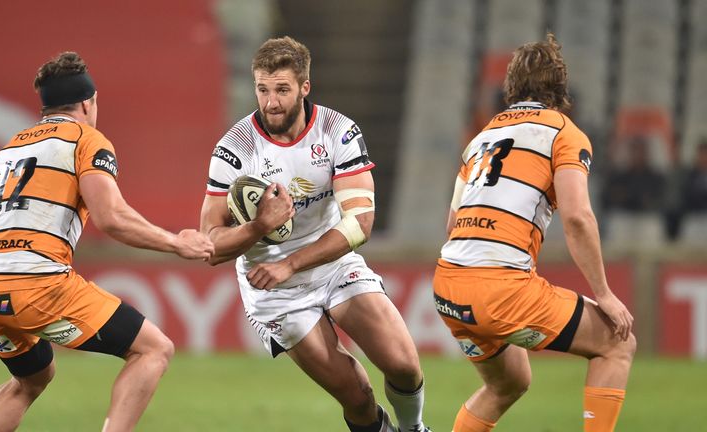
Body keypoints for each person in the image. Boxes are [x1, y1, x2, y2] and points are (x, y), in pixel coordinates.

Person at [0, 51, 215, 432]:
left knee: (32, 378)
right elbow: (111, 217)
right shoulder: (86, 139)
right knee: (154, 348)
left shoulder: (9, 150)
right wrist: (176, 243)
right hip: (38, 284)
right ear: (88, 102)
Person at [200, 36, 430, 432]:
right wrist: (258, 227)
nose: (271, 102)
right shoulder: (235, 150)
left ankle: (415, 429)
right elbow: (211, 245)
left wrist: (292, 262)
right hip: (273, 288)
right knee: (357, 396)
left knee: (404, 366)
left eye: (282, 90)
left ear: (305, 87)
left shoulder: (337, 131)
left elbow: (360, 223)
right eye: (263, 89)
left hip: (331, 263)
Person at [433, 34, 635, 432]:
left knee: (510, 382)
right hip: (501, 290)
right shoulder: (563, 133)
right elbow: (578, 217)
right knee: (618, 342)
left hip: (448, 287)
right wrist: (605, 294)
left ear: (511, 88)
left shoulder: (481, 138)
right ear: (561, 89)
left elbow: (451, 225)